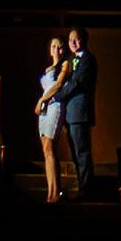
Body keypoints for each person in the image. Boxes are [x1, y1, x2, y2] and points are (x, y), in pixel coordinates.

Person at [51, 26, 97, 198]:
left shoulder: (88, 60)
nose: (73, 42)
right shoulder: (69, 59)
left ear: (85, 40)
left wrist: (56, 97)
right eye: (70, 39)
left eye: (77, 39)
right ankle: (81, 187)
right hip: (69, 115)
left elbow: (75, 84)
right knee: (75, 154)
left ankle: (86, 190)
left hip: (80, 113)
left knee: (82, 153)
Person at [33, 36, 73, 202]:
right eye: (54, 46)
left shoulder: (66, 64)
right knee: (46, 150)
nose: (57, 49)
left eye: (60, 46)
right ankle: (50, 192)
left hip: (54, 106)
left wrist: (41, 100)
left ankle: (57, 191)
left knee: (50, 146)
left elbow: (57, 86)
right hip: (44, 110)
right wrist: (42, 103)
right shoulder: (48, 68)